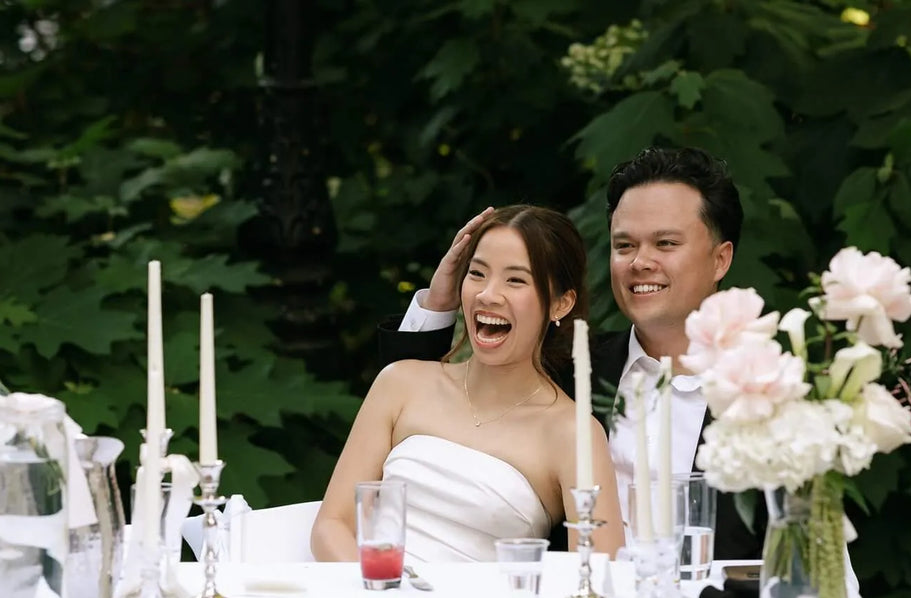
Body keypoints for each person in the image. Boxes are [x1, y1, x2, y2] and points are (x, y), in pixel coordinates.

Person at [380, 146, 762, 560]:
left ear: (720, 259)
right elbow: (414, 406)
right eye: (624, 245)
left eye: (665, 243)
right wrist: (440, 303)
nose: (640, 262)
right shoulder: (561, 367)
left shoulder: (777, 399)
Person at [311, 206, 624, 564]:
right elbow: (331, 524)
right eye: (477, 273)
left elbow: (599, 572)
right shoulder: (400, 383)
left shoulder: (573, 432)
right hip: (368, 594)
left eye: (515, 280)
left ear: (560, 304)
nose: (488, 294)